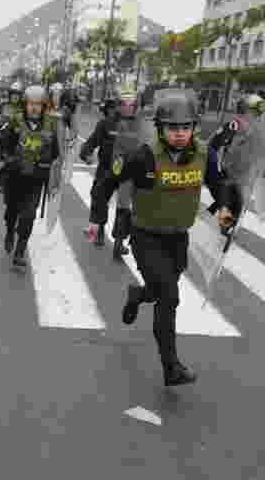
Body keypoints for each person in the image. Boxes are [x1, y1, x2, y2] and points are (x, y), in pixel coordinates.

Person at [101, 89, 237, 386]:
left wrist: (225, 209)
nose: (179, 134)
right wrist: (100, 217)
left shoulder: (204, 154)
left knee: (160, 289)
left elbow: (221, 182)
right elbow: (109, 182)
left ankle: (138, 295)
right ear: (160, 128)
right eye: (172, 127)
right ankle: (171, 366)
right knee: (169, 297)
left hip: (178, 238)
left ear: (194, 127)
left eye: (185, 127)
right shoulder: (144, 156)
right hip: (145, 236)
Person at [0, 84, 60, 268]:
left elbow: (55, 154)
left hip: (36, 180)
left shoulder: (51, 126)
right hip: (14, 177)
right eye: (30, 104)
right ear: (25, 105)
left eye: (38, 104)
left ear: (44, 106)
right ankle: (10, 231)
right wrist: (0, 160)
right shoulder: (14, 122)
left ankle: (20, 250)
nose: (34, 108)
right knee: (12, 211)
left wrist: (49, 169)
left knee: (29, 215)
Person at [80, 93, 136, 257]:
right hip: (106, 169)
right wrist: (86, 153)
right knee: (98, 197)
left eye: (131, 106)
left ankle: (119, 242)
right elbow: (92, 141)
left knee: (124, 208)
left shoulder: (139, 127)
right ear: (118, 106)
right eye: (124, 105)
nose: (127, 109)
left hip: (128, 173)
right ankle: (98, 232)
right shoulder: (106, 123)